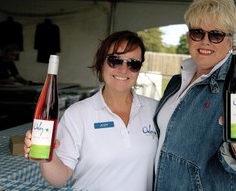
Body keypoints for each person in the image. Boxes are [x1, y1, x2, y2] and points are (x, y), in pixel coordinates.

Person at [153, 0, 236, 191]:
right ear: (189, 37)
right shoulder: (176, 83)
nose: (205, 41)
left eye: (215, 35)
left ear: (230, 42)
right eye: (198, 32)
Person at [24, 31, 158, 191]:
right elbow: (59, 178)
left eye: (133, 63)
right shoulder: (77, 114)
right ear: (101, 62)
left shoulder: (156, 110)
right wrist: (48, 156)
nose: (124, 69)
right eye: (115, 61)